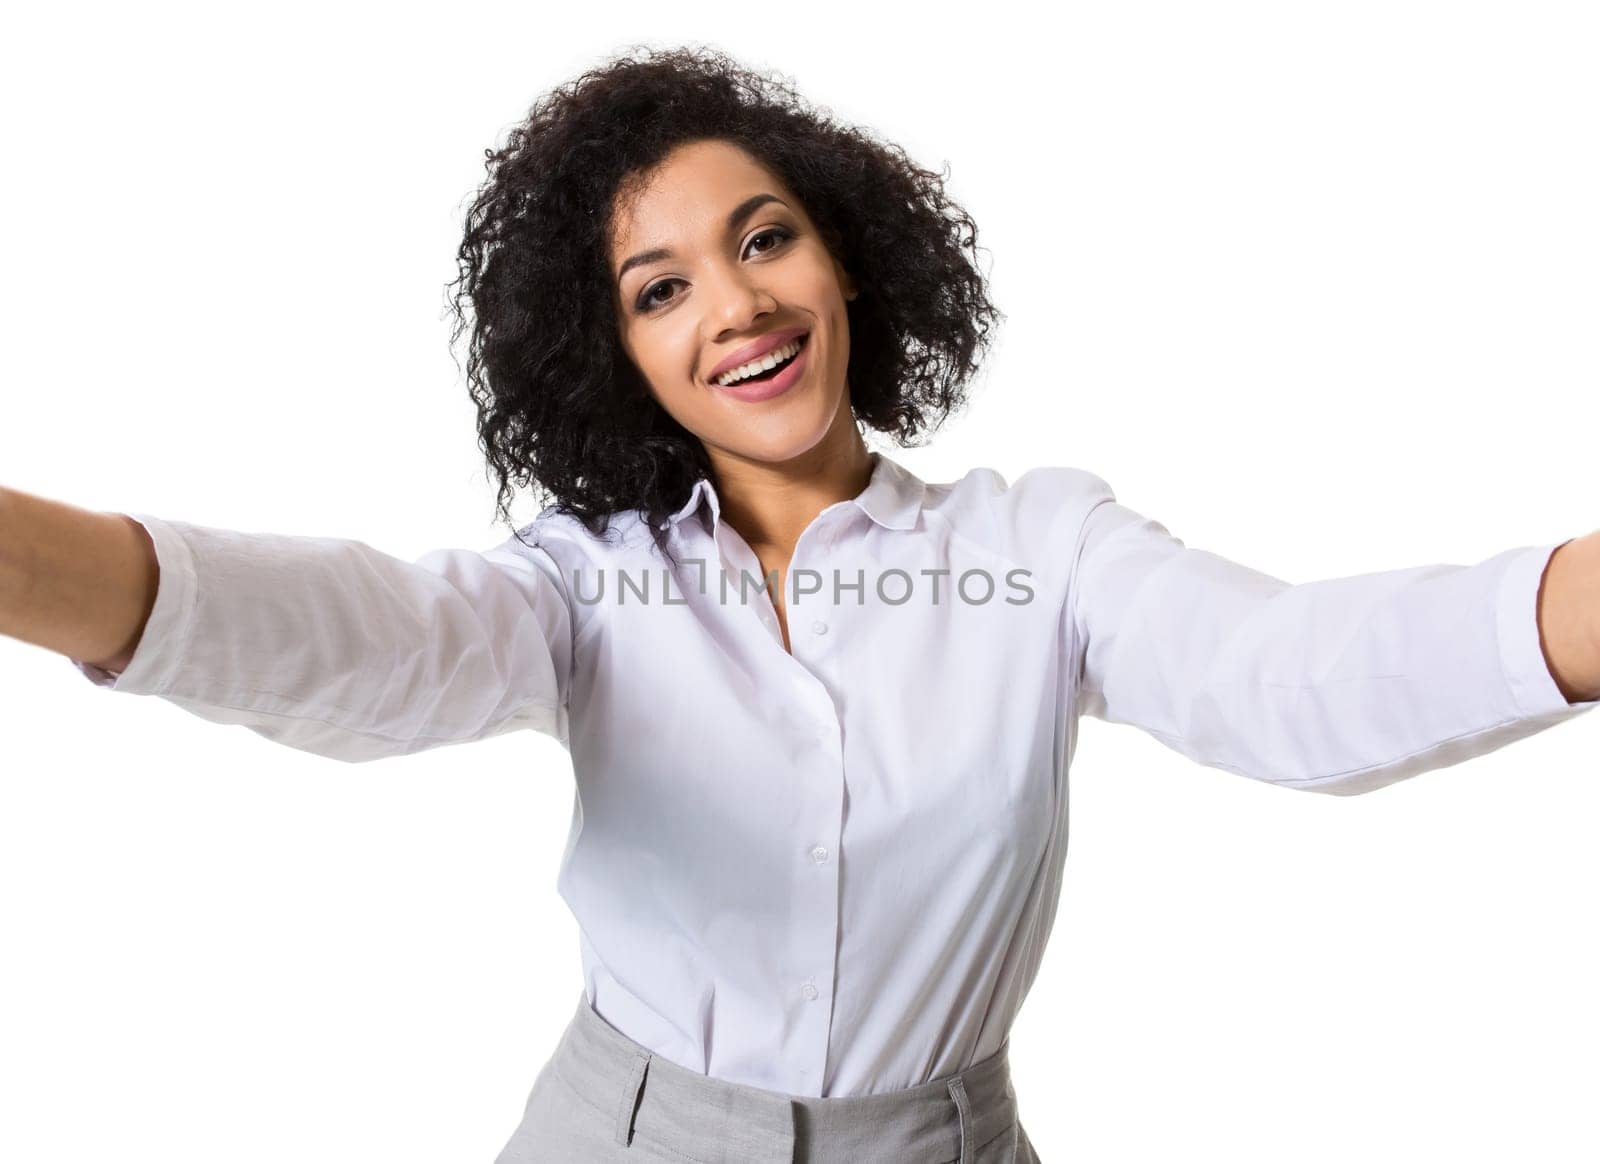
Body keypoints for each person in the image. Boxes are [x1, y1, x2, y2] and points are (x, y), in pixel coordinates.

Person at [3, 43, 1597, 1164]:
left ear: (847, 263)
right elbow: (363, 639)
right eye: (661, 288)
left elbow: (1285, 676)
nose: (739, 304)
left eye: (765, 239)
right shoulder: (586, 585)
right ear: (612, 352)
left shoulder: (1042, 546)